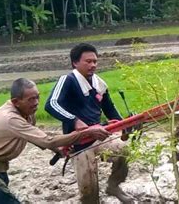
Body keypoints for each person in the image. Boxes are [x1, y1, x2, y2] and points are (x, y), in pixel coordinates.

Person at [0, 78, 110, 203]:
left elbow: (36, 137)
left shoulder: (27, 113)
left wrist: (58, 149)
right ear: (16, 102)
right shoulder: (11, 118)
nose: (36, 103)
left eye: (37, 97)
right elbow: (47, 141)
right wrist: (85, 133)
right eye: (31, 99)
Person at [45, 43, 134, 203]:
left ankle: (113, 185)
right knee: (89, 188)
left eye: (95, 61)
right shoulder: (68, 80)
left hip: (100, 135)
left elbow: (110, 110)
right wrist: (74, 120)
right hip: (79, 141)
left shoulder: (99, 84)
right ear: (75, 63)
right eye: (88, 61)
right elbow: (51, 104)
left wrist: (124, 125)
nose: (93, 65)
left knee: (123, 152)